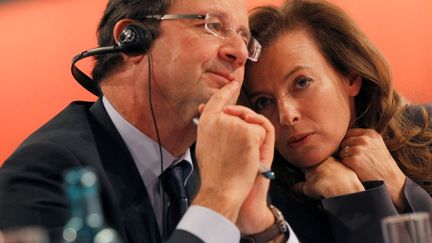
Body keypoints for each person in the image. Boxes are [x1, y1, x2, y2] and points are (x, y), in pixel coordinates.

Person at [0, 0, 299, 243]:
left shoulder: (217, 159)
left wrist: (261, 224)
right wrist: (217, 199)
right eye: (212, 25)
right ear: (133, 40)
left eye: (245, 38)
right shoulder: (48, 169)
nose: (240, 53)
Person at [243, 0, 432, 242]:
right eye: (264, 101)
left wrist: (399, 187)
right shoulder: (262, 205)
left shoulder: (426, 131)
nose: (286, 116)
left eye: (302, 83)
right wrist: (349, 198)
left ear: (351, 78)